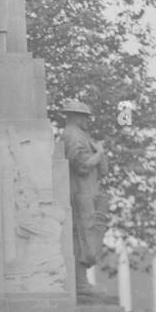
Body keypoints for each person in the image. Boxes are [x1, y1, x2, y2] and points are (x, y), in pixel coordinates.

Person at [58, 99, 109, 301]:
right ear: (76, 117)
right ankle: (80, 282)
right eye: (85, 117)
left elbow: (100, 169)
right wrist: (100, 153)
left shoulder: (81, 136)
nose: (88, 121)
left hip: (88, 191)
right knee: (83, 234)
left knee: (89, 234)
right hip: (81, 193)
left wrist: (100, 156)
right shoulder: (72, 135)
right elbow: (81, 166)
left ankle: (82, 281)